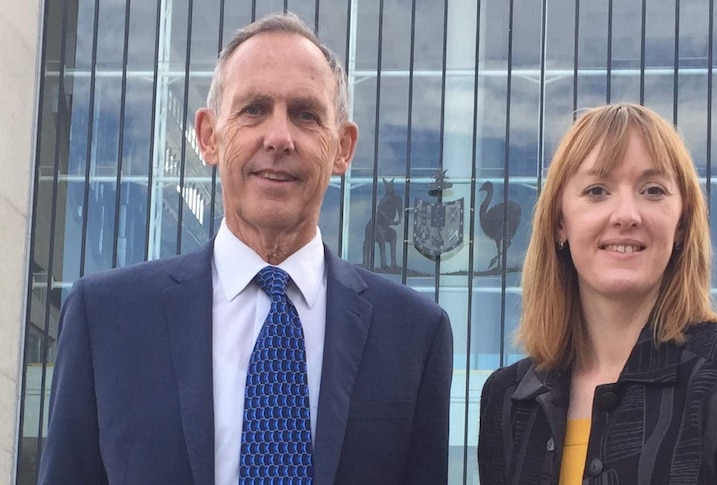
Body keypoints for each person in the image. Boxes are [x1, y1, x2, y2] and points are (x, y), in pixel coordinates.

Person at [38, 12, 453, 485]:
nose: (278, 138)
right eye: (253, 109)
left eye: (306, 114)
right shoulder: (105, 320)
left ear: (343, 148)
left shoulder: (415, 335)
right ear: (209, 136)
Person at [477, 103, 717, 484]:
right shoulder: (509, 399)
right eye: (597, 190)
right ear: (560, 223)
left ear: (680, 226)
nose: (626, 214)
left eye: (653, 190)